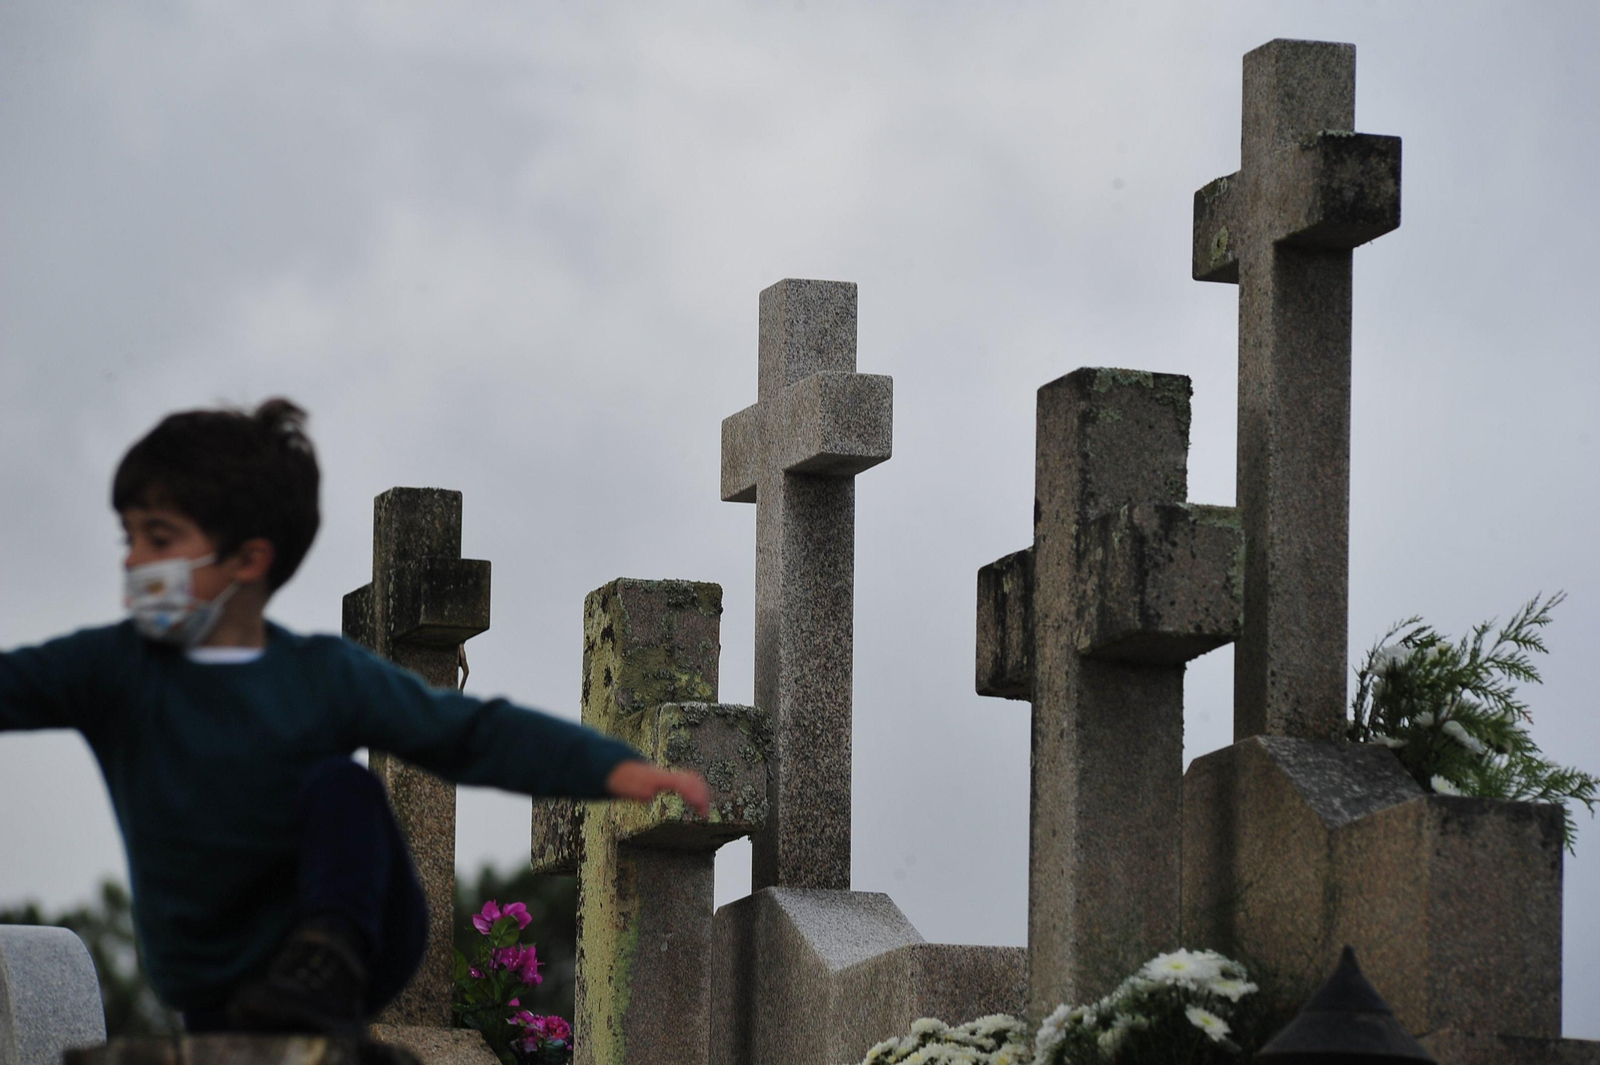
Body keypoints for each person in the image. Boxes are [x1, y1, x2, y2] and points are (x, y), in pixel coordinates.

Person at [0, 398, 710, 1036]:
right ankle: (305, 1023)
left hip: (358, 949)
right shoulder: (111, 669)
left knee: (343, 788)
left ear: (249, 557)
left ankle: (322, 970)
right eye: (129, 539)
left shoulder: (317, 676)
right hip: (210, 972)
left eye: (158, 540)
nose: (134, 563)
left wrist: (608, 765)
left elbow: (467, 731)